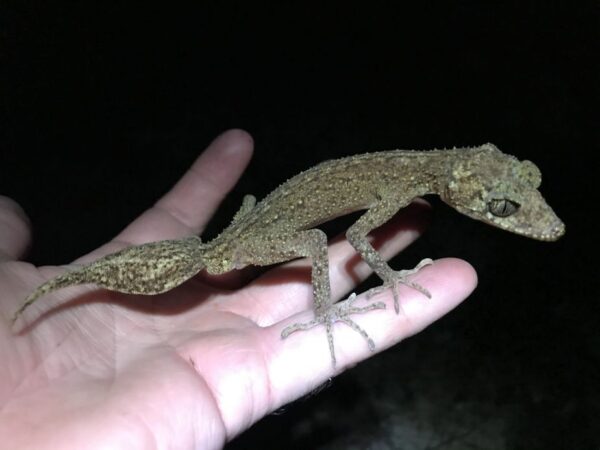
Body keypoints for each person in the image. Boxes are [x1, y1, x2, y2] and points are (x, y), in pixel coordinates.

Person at [0, 129, 476, 449]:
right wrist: (384, 279)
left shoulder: (407, 170)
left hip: (249, 229)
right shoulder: (404, 179)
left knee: (270, 230)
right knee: (313, 240)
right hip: (246, 240)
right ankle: (323, 314)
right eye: (498, 206)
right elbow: (347, 238)